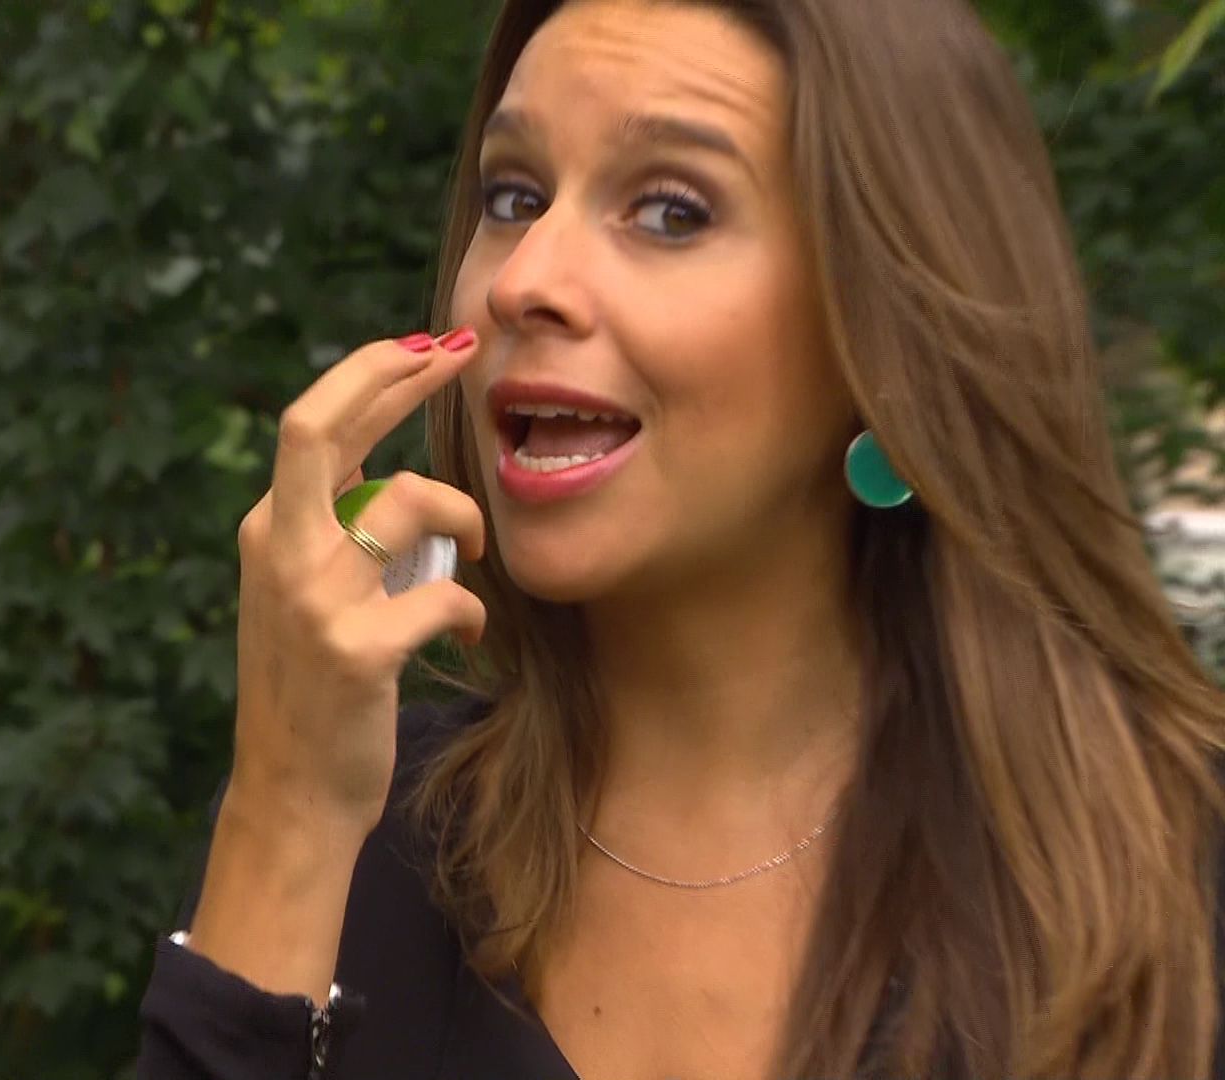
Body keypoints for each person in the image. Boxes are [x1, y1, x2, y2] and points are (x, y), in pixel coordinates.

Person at [135, 0, 1225, 1076]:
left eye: (669, 212)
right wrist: (285, 813)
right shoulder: (350, 833)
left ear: (886, 323)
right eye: (513, 197)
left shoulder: (1176, 859)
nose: (523, 280)